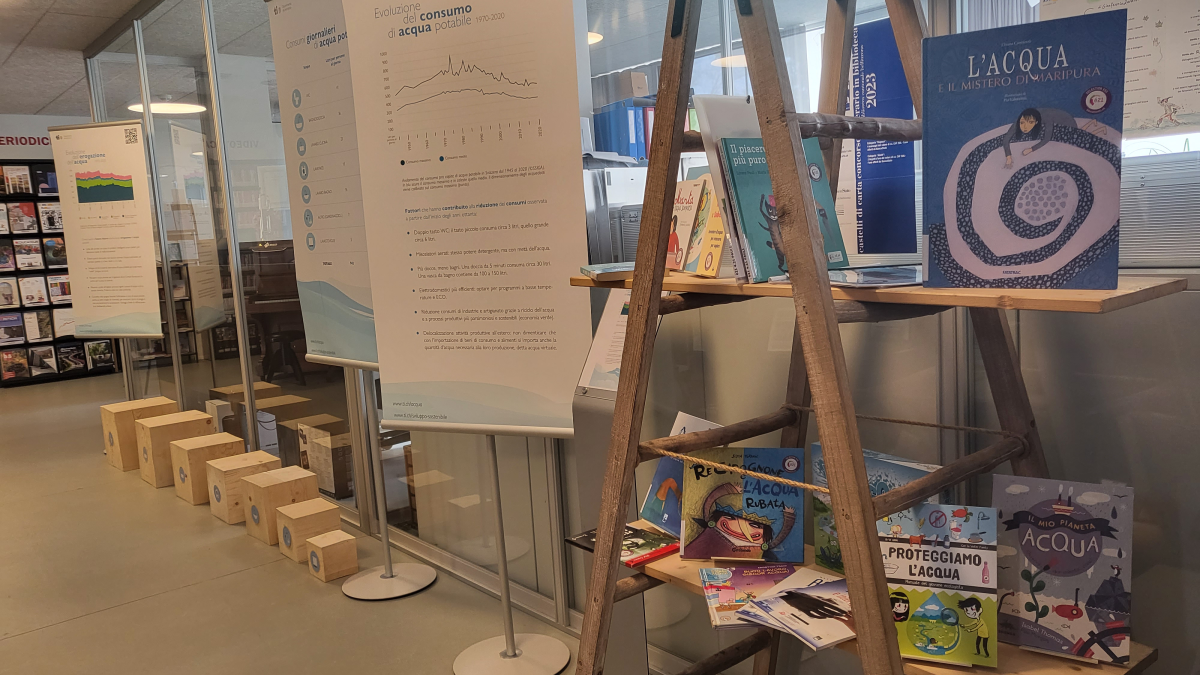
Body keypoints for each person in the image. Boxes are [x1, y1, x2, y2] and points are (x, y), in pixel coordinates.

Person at [1002, 107, 1102, 168]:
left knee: (1077, 136)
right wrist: (1008, 157)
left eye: (1030, 123)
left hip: (1066, 121)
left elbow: (1047, 138)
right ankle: (1092, 123)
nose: (1025, 126)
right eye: (1022, 123)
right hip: (1058, 121)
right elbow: (1006, 139)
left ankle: (1099, 129)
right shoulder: (1020, 119)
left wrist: (1031, 149)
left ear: (1036, 122)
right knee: (1078, 133)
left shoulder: (1046, 117)